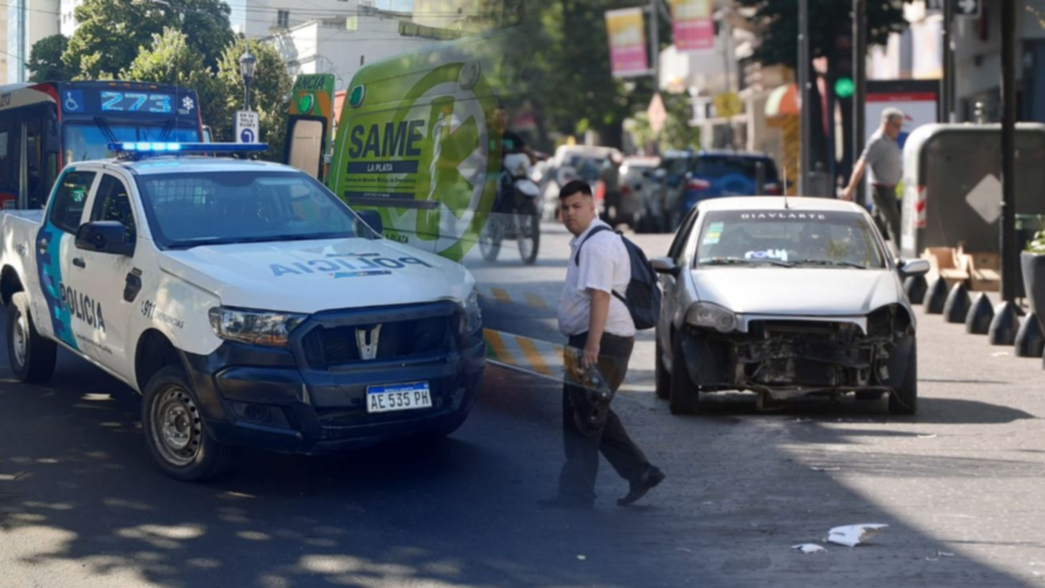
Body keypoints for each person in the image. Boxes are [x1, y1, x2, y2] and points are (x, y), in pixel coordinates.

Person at [538, 179, 664, 509]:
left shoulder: (596, 245)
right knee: (593, 413)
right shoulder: (590, 240)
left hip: (601, 341)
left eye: (577, 206)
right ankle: (641, 473)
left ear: (593, 207)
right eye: (564, 208)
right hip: (598, 339)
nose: (569, 214)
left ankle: (576, 495)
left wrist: (591, 346)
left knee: (584, 420)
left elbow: (600, 297)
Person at [841, 108, 905, 244]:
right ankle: (901, 255)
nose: (899, 129)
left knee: (876, 224)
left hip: (890, 189)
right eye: (897, 126)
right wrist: (850, 188)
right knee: (894, 223)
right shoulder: (877, 141)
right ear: (887, 124)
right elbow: (861, 164)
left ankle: (862, 245)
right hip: (882, 189)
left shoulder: (890, 140)